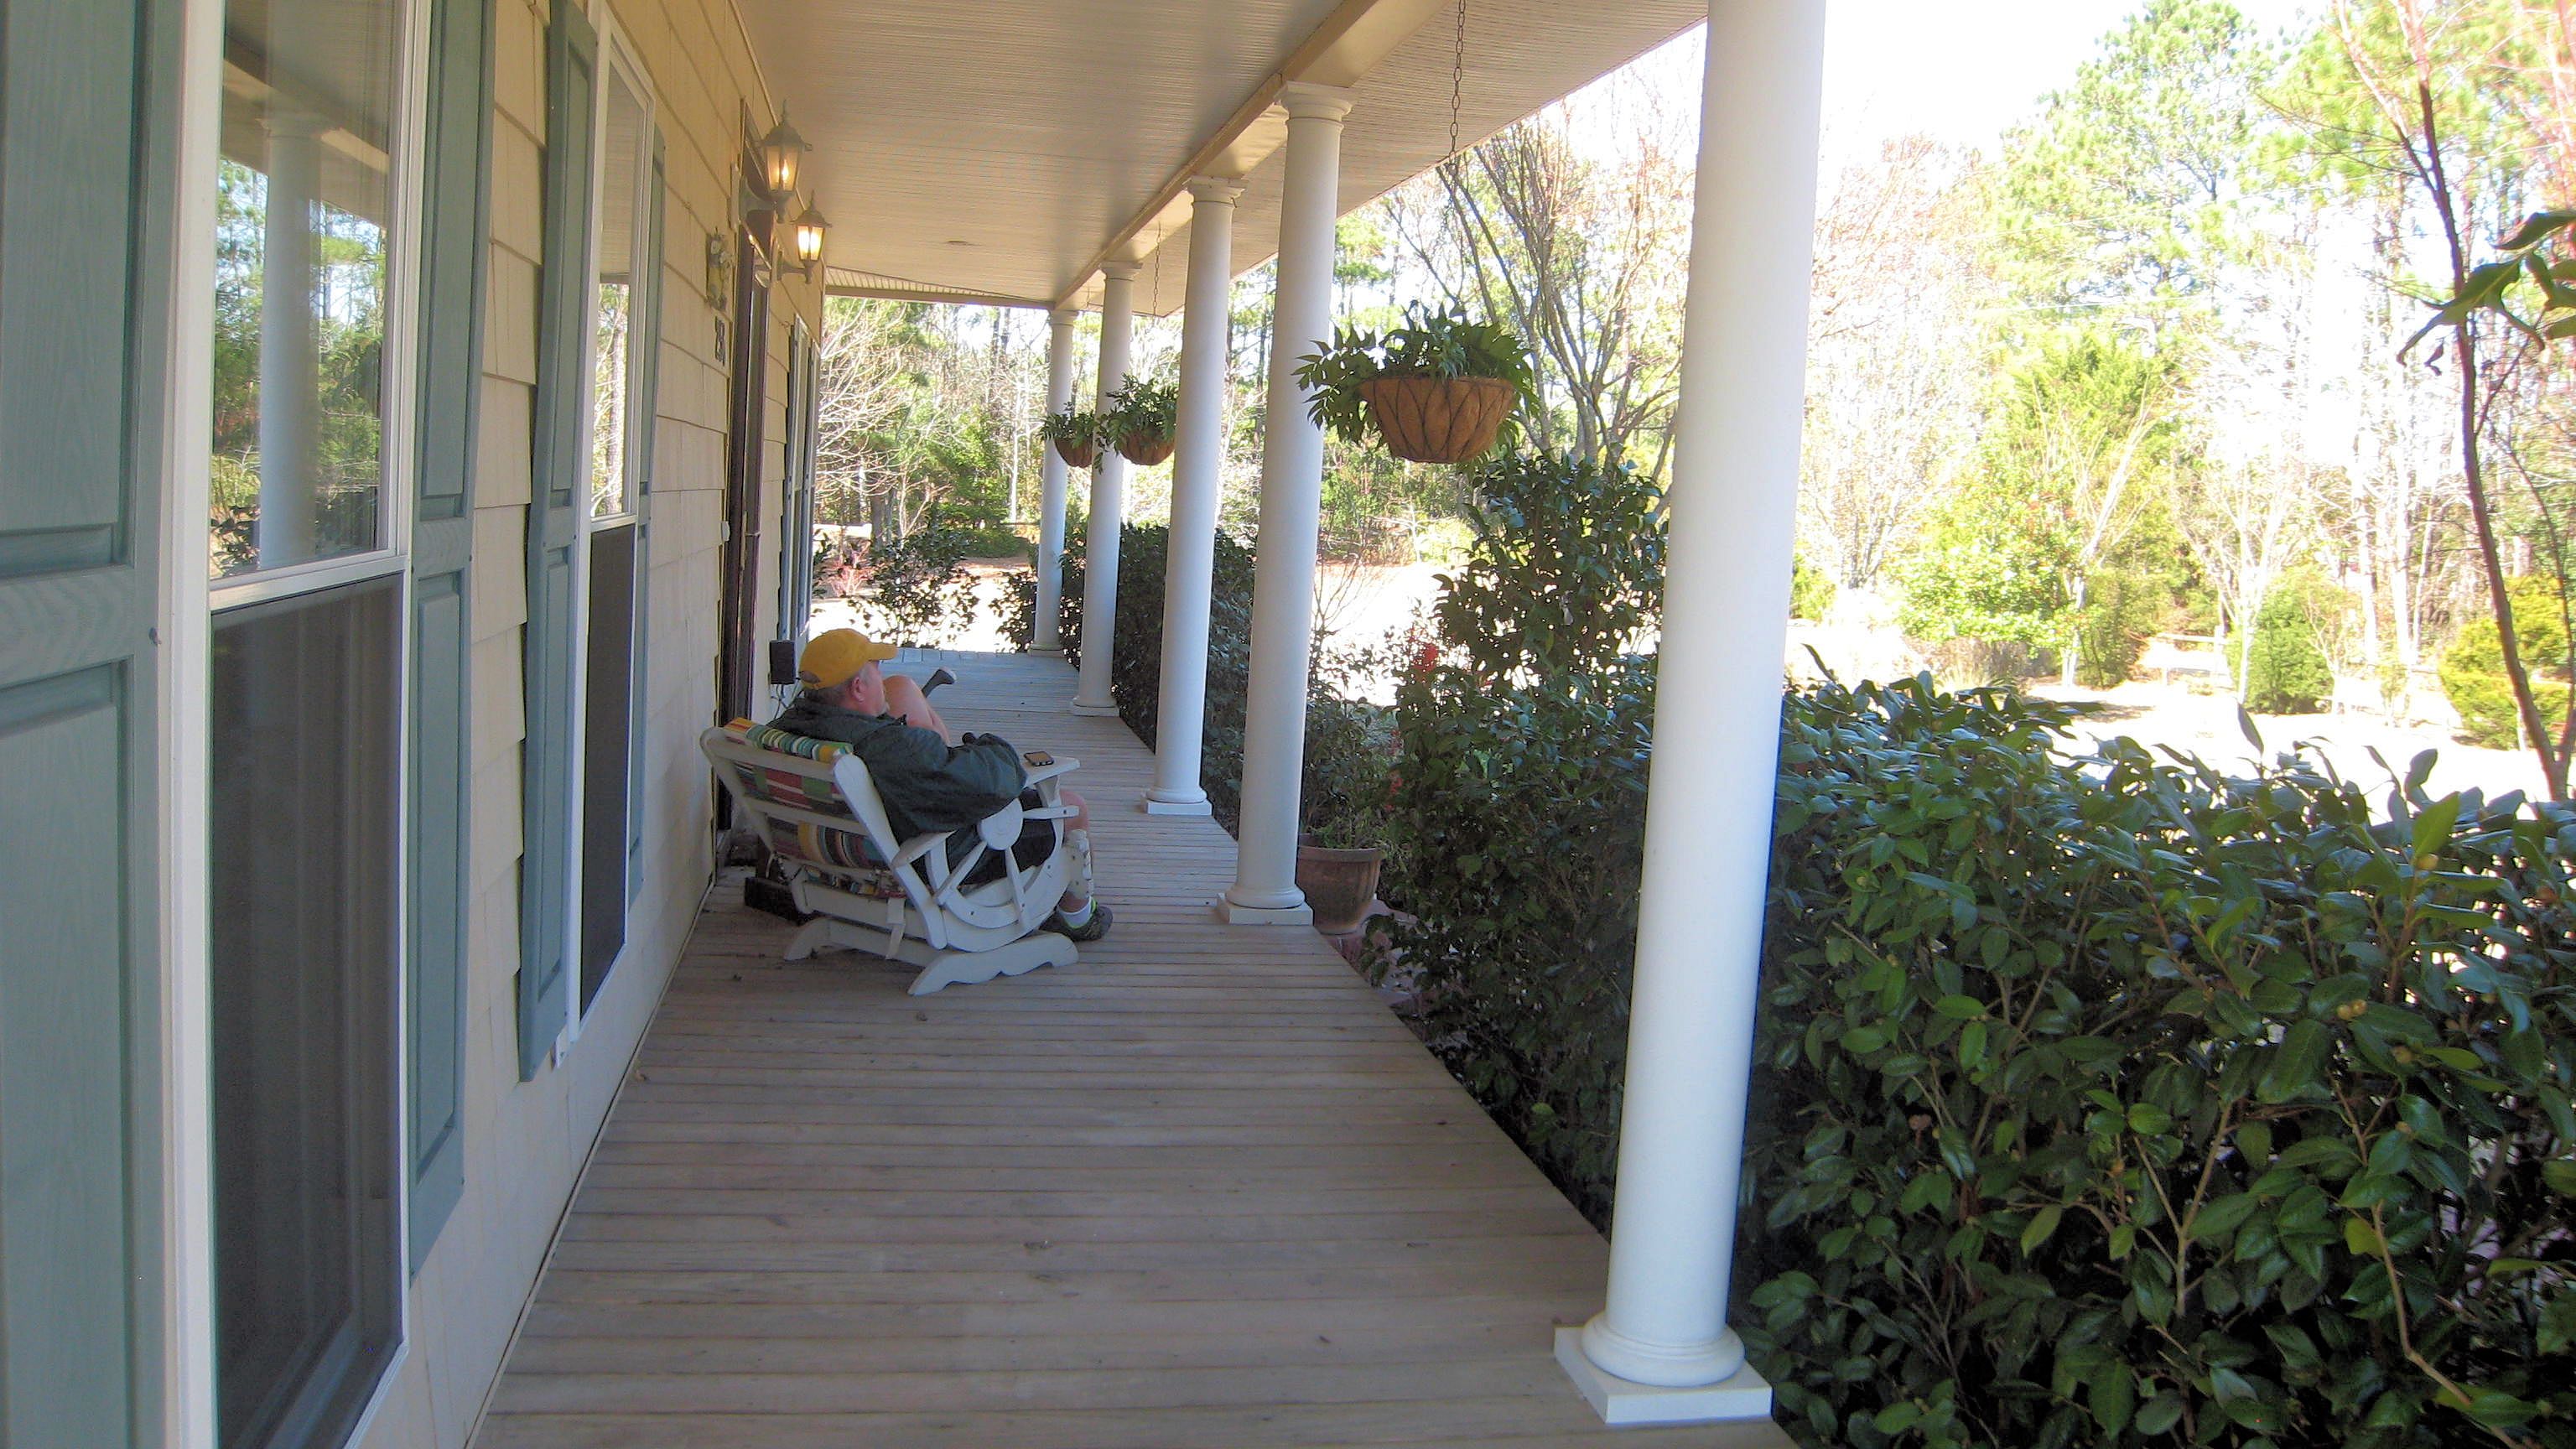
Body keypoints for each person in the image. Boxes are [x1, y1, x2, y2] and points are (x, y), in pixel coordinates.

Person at [770, 628, 1109, 941]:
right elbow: (991, 785)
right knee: (1072, 806)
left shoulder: (788, 732)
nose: (883, 680)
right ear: (858, 688)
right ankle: (1077, 918)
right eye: (877, 672)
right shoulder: (892, 750)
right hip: (933, 858)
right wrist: (990, 746)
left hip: (846, 859)